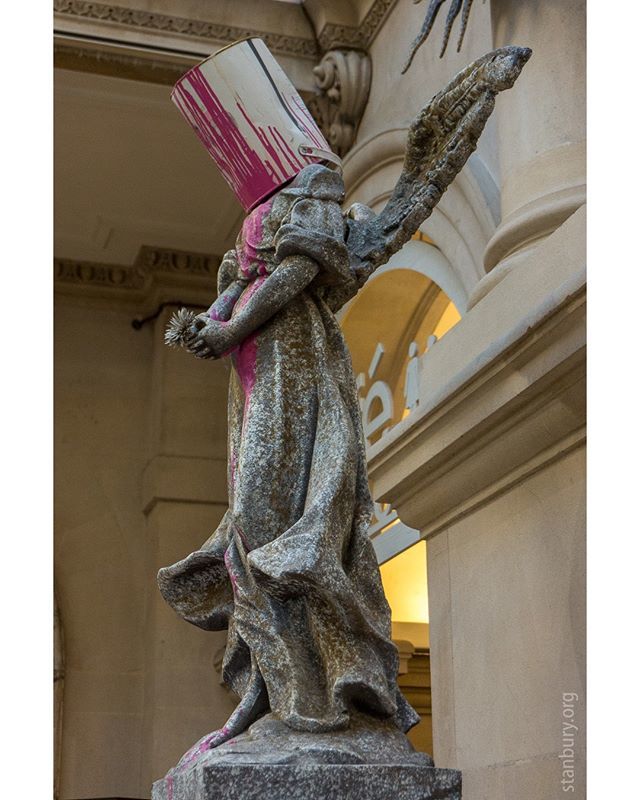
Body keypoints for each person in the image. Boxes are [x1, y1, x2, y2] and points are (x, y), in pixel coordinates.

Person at [158, 38, 419, 766]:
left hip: (292, 365)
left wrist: (231, 324)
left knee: (274, 522)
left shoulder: (312, 176)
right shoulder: (259, 202)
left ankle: (319, 689)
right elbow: (241, 279)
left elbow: (299, 269)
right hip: (253, 373)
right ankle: (268, 688)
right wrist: (209, 323)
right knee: (250, 530)